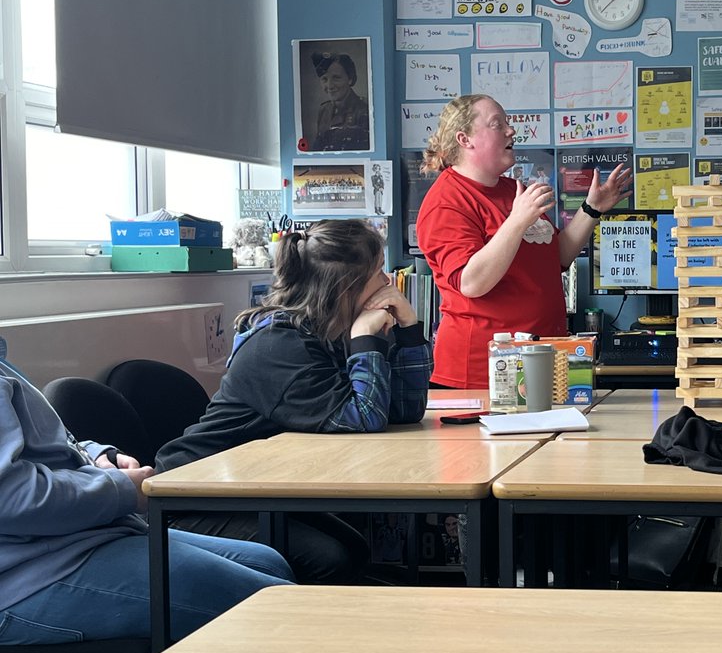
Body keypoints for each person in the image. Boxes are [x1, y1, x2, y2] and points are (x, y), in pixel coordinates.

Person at [156, 218, 432, 583]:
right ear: (345, 287)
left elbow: (405, 411)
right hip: (196, 496)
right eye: (378, 272)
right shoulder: (279, 344)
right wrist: (366, 338)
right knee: (330, 559)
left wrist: (409, 327)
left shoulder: (329, 331)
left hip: (255, 487)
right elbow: (365, 418)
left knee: (353, 547)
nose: (387, 283)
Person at [0, 351, 293, 645]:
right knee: (280, 610)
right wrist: (123, 490)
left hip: (68, 542)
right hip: (28, 575)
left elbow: (42, 446)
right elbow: (11, 497)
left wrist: (99, 455)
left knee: (267, 563)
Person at [415, 94, 631, 389]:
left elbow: (557, 258)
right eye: (497, 124)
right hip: (480, 377)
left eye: (508, 123)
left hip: (539, 363)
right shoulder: (447, 201)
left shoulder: (513, 189)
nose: (510, 131)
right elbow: (471, 283)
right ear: (465, 139)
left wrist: (591, 208)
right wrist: (516, 221)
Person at [310, 51, 370, 152]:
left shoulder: (365, 109)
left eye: (336, 78)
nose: (329, 86)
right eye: (324, 79)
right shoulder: (324, 110)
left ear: (350, 79)